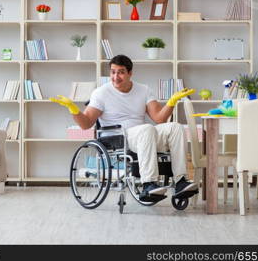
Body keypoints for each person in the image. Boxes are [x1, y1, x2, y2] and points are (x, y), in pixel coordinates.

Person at [50, 54, 198, 202]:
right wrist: (72, 109)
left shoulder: (143, 90)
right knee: (146, 129)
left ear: (130, 73)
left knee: (175, 127)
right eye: (113, 72)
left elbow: (160, 118)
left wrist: (172, 101)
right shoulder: (101, 93)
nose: (116, 77)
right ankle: (149, 183)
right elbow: (86, 123)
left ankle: (180, 181)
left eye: (120, 72)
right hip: (118, 138)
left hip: (144, 136)